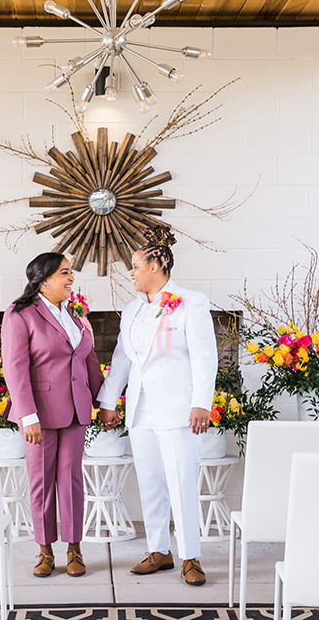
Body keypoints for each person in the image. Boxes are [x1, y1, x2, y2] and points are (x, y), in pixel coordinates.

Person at [96, 226, 218, 586]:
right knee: (150, 480)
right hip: (141, 408)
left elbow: (204, 356)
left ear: (157, 265)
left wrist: (201, 403)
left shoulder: (190, 302)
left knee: (181, 480)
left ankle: (191, 557)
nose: (130, 273)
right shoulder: (132, 309)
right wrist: (108, 400)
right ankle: (159, 550)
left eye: (135, 266)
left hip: (179, 408)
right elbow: (123, 359)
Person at [1, 252, 105, 578]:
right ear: (44, 280)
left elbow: (86, 361)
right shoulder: (20, 315)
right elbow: (15, 368)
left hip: (75, 410)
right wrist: (27, 416)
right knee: (42, 483)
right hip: (39, 415)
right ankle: (45, 551)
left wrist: (104, 403)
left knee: (72, 481)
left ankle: (74, 549)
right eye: (65, 272)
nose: (71, 278)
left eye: (70, 272)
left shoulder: (74, 318)